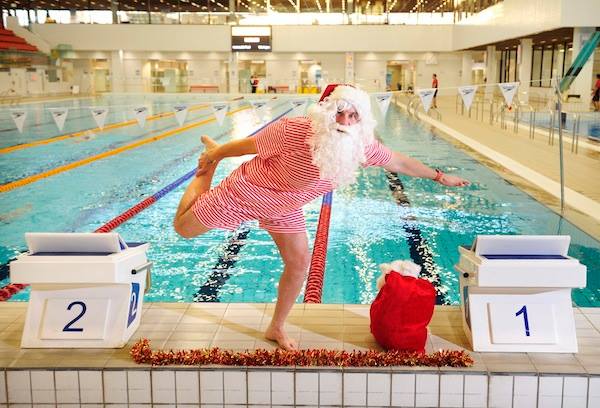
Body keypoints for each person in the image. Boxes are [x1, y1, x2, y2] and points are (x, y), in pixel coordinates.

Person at [173, 84, 470, 350]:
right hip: (248, 191)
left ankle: (276, 327)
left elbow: (400, 161)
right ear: (325, 112)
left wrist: (439, 176)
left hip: (287, 205)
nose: (344, 121)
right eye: (339, 113)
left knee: (300, 263)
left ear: (361, 120)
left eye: (352, 116)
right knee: (183, 228)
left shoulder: (362, 146)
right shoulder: (291, 131)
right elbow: (246, 146)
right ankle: (206, 173)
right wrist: (215, 156)